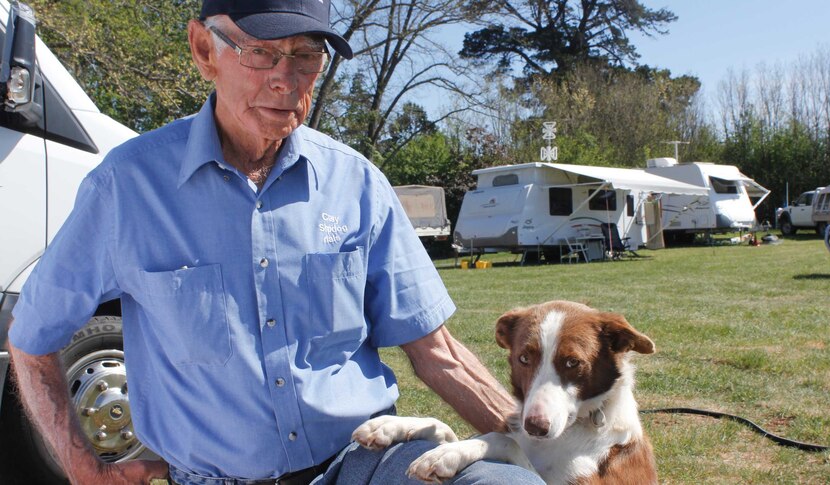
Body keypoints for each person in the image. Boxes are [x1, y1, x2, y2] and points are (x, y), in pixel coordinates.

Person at [7, 1, 545, 484]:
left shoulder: (355, 183)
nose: (286, 79)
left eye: (307, 55)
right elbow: (32, 338)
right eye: (261, 53)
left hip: (362, 462)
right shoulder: (127, 187)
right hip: (213, 478)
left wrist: (549, 458)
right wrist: (81, 465)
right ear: (203, 49)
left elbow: (439, 354)